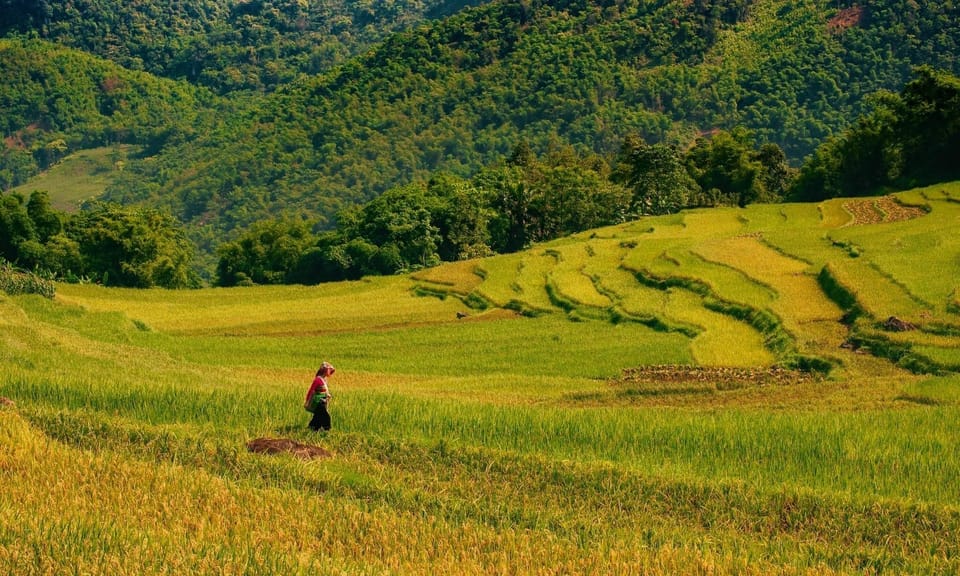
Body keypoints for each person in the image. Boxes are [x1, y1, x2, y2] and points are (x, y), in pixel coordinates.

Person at [305, 361, 335, 431]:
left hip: (323, 401)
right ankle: (327, 430)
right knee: (326, 417)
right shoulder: (318, 380)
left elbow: (323, 390)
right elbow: (311, 390)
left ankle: (312, 428)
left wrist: (327, 395)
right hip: (318, 401)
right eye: (328, 370)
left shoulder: (324, 380)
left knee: (317, 417)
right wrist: (307, 401)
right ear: (324, 371)